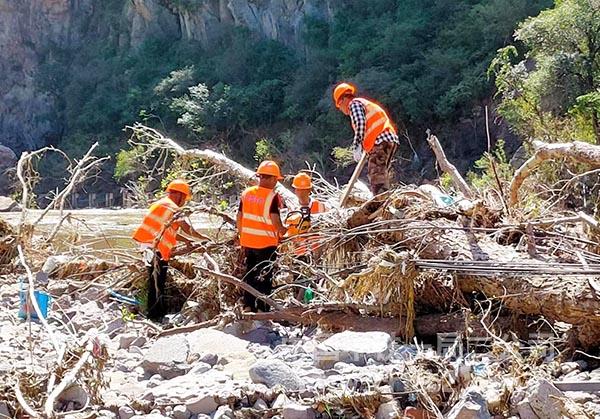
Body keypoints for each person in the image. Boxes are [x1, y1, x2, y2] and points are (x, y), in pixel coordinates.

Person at [132, 179, 207, 321]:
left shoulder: (161, 204)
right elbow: (187, 229)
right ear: (179, 195)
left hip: (149, 247)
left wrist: (186, 241)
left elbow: (168, 230)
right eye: (184, 198)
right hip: (155, 249)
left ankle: (156, 313)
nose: (184, 202)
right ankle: (155, 316)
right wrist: (204, 239)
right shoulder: (172, 207)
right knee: (157, 283)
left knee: (156, 281)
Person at [237, 160, 287, 312]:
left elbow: (239, 216)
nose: (276, 183)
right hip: (266, 244)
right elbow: (274, 219)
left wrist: (242, 235)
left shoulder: (247, 193)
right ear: (272, 178)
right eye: (276, 180)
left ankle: (248, 305)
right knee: (264, 276)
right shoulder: (272, 196)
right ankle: (263, 309)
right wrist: (283, 231)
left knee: (250, 274)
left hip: (248, 242)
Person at [333, 82, 400, 195]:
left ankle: (381, 202)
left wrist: (357, 145)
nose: (342, 110)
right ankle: (384, 199)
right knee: (381, 173)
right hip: (387, 139)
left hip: (380, 140)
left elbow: (360, 123)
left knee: (376, 174)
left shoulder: (354, 104)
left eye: (339, 106)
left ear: (343, 99)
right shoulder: (363, 104)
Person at [288, 172, 327, 258]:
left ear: (309, 190)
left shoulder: (320, 206)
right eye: (298, 190)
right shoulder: (293, 208)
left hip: (317, 252)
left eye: (303, 190)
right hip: (298, 253)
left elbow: (325, 229)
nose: (300, 193)